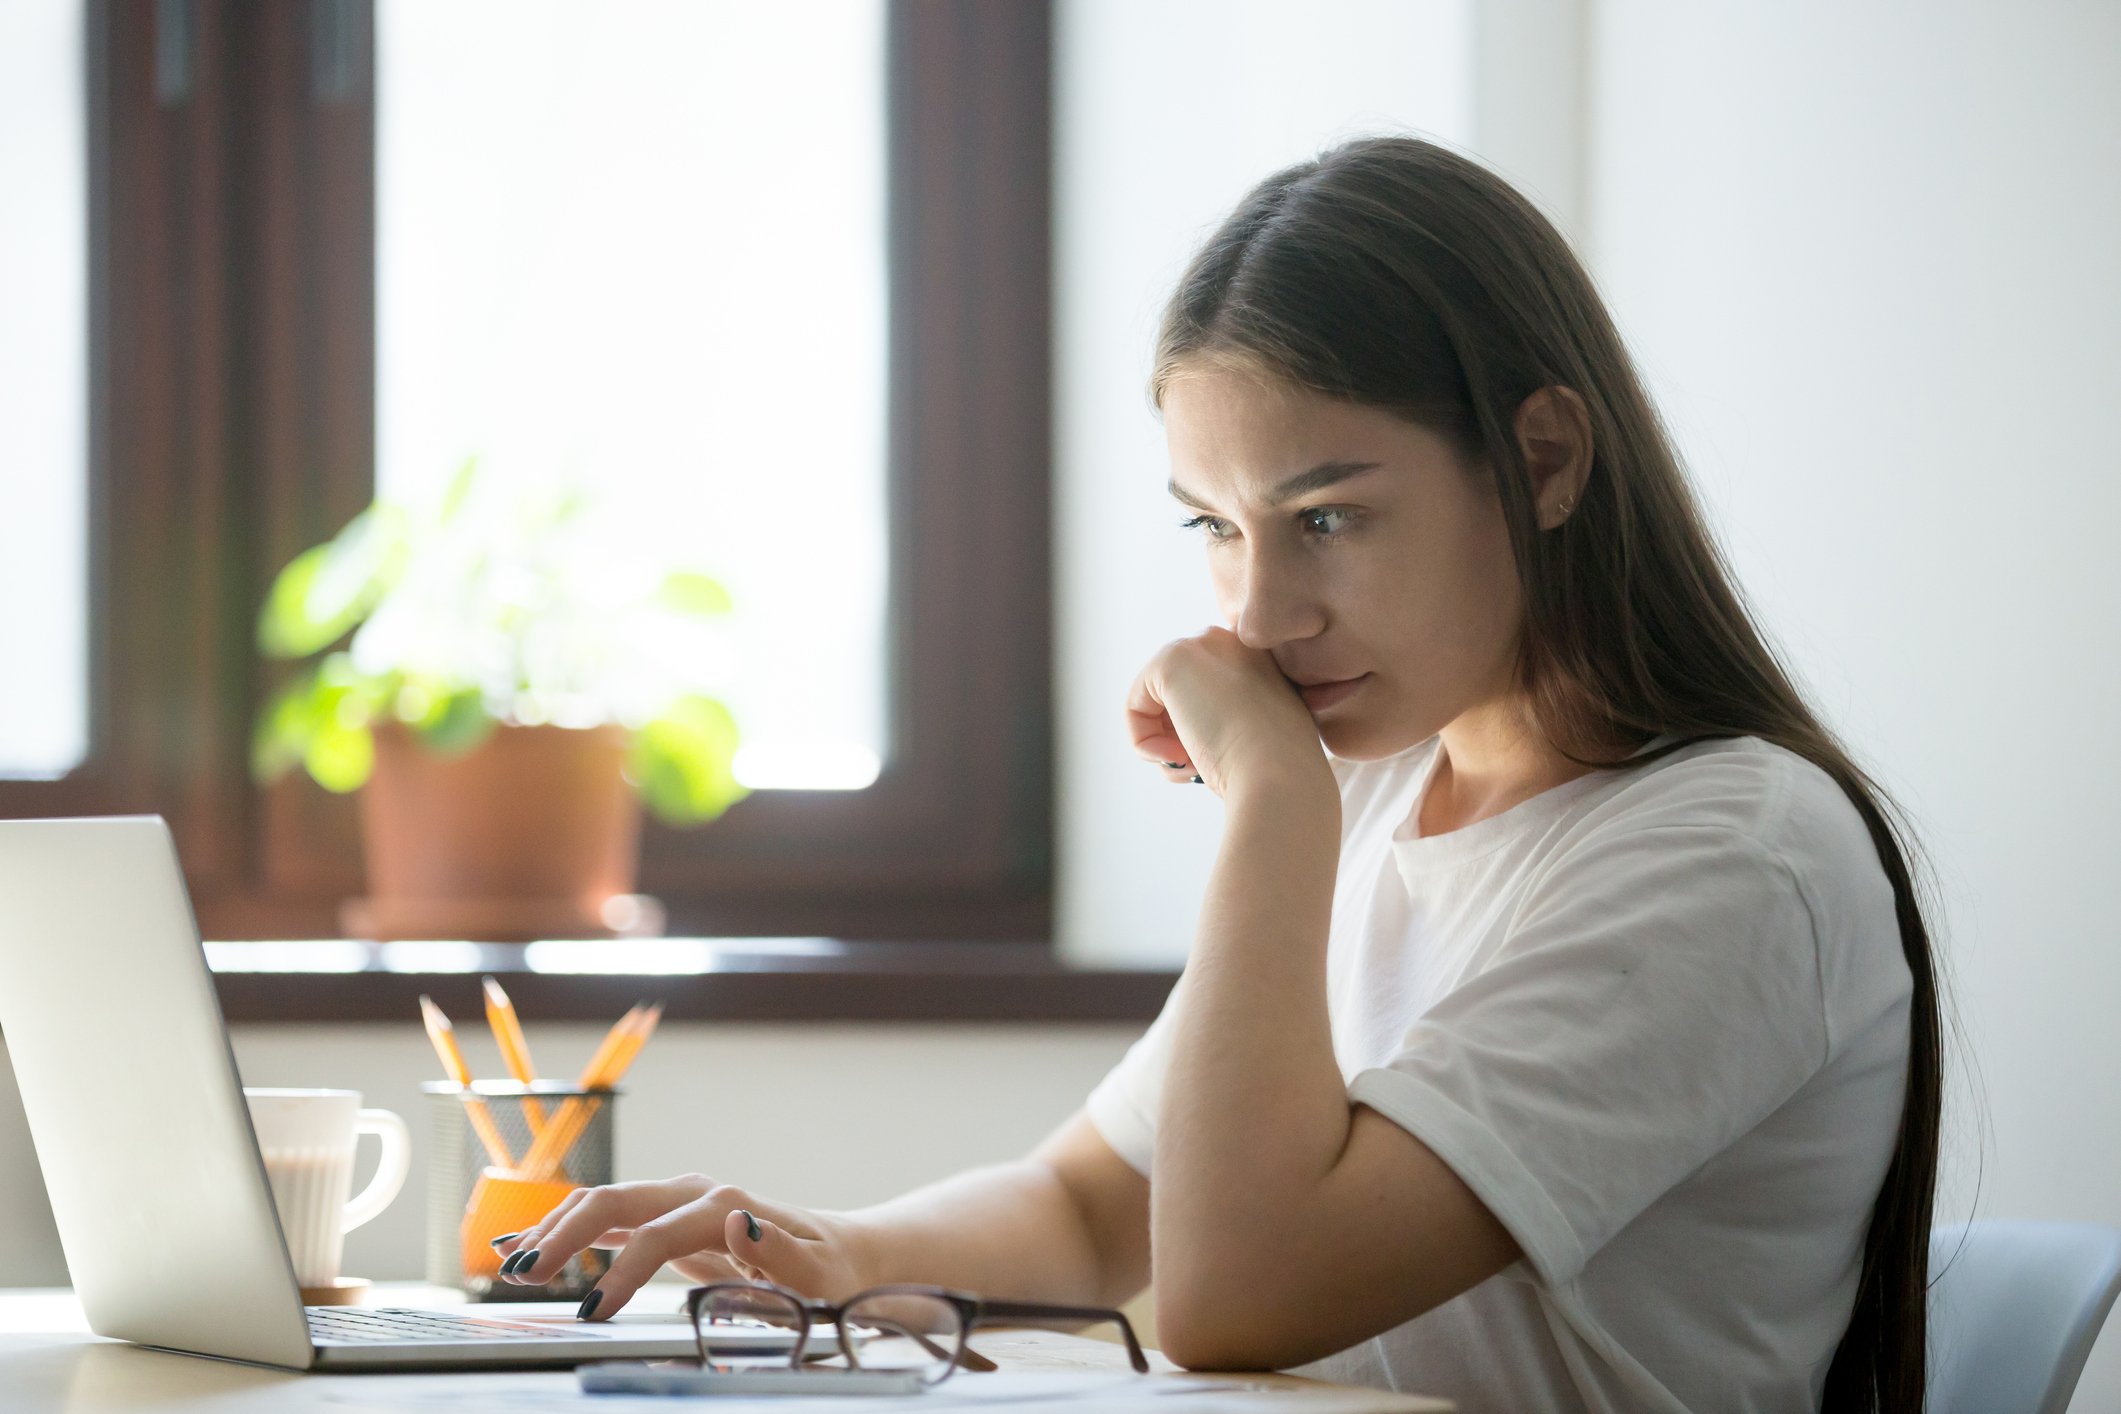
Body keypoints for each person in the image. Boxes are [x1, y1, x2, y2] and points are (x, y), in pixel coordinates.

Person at [492, 135, 1941, 1414]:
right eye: (1214, 526)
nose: (1257, 617)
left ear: (1543, 459)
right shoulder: (1385, 783)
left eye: (1326, 518)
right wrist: (827, 1248)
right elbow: (1084, 1204)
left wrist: (1270, 799)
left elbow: (1234, 1289)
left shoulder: (1731, 854)